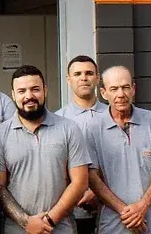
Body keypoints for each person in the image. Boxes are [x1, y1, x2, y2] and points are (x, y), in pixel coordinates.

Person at [0, 65, 90, 234]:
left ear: (45, 90)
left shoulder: (69, 128)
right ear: (13, 94)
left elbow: (80, 183)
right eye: (22, 91)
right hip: (17, 230)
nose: (29, 96)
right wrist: (26, 222)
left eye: (35, 89)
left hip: (61, 229)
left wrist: (48, 221)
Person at [85, 66, 151, 234]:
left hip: (150, 222)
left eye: (125, 87)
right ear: (104, 93)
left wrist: (142, 207)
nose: (121, 94)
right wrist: (126, 212)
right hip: (112, 224)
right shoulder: (92, 128)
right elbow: (92, 177)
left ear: (133, 89)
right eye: (114, 89)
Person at [56, 55, 107, 234]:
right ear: (68, 79)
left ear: (98, 78)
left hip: (110, 209)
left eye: (89, 73)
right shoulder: (57, 120)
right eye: (77, 74)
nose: (84, 78)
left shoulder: (113, 116)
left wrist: (96, 192)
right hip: (72, 211)